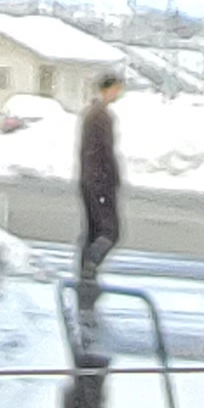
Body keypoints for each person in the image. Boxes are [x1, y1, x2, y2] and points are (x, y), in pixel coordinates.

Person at [76, 71, 126, 303]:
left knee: (94, 230)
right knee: (109, 231)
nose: (118, 93)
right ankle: (90, 265)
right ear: (109, 89)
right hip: (99, 182)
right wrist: (110, 178)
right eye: (117, 89)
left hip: (91, 179)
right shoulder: (100, 116)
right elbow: (103, 152)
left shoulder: (93, 113)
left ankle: (87, 273)